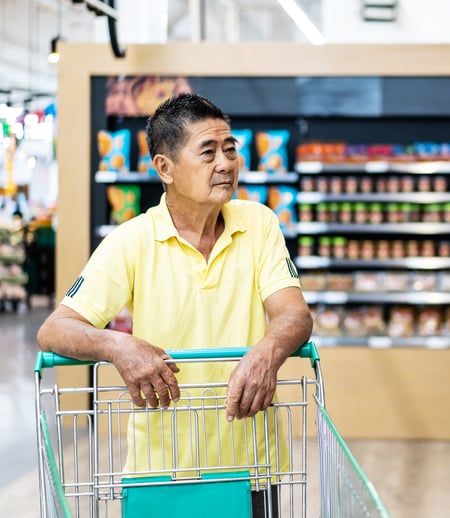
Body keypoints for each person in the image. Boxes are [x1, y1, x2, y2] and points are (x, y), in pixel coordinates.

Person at [37, 93, 313, 516]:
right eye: (208, 152)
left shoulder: (259, 223)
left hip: (254, 467)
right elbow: (55, 330)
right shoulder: (130, 240)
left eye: (230, 149)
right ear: (165, 168)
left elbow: (293, 313)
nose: (225, 163)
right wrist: (117, 346)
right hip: (160, 471)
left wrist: (268, 352)